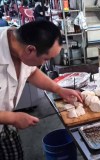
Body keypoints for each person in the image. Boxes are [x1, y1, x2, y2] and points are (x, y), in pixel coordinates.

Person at [0, 20, 82, 159]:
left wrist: (59, 89)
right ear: (30, 49)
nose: (44, 63)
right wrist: (13, 118)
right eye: (45, 59)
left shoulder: (20, 44)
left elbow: (32, 72)